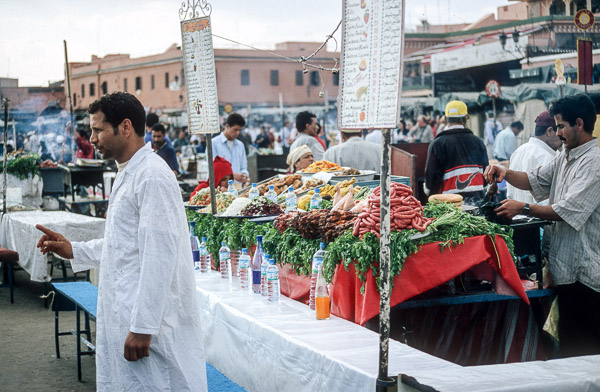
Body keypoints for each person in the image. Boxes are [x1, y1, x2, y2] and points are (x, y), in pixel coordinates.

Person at [36, 91, 207, 391]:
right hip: (126, 314)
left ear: (125, 127)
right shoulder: (128, 172)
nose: (92, 139)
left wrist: (143, 327)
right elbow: (123, 245)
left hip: (150, 328)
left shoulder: (152, 176)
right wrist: (73, 249)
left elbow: (159, 255)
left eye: (99, 129)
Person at [484, 94, 600, 358]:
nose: (557, 132)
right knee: (570, 348)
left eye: (561, 126)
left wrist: (522, 207)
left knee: (586, 353)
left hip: (586, 275)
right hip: (566, 271)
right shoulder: (565, 156)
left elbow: (568, 209)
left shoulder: (594, 163)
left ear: (579, 124)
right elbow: (536, 180)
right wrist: (504, 173)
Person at [424, 100, 488, 204]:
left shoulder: (437, 144)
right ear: (465, 119)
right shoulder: (478, 142)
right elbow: (486, 176)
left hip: (449, 206)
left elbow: (431, 181)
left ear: (445, 119)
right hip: (477, 203)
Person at [506, 110, 561, 204]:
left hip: (516, 216)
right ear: (550, 131)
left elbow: (510, 193)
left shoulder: (519, 151)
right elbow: (546, 204)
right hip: (537, 217)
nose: (562, 136)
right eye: (560, 130)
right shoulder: (548, 158)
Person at [212, 113, 250, 185]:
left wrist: (245, 177)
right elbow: (213, 169)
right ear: (227, 126)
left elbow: (243, 167)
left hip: (238, 188)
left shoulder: (240, 145)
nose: (237, 133)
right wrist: (233, 175)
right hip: (220, 189)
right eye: (235, 130)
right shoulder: (214, 144)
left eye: (240, 130)